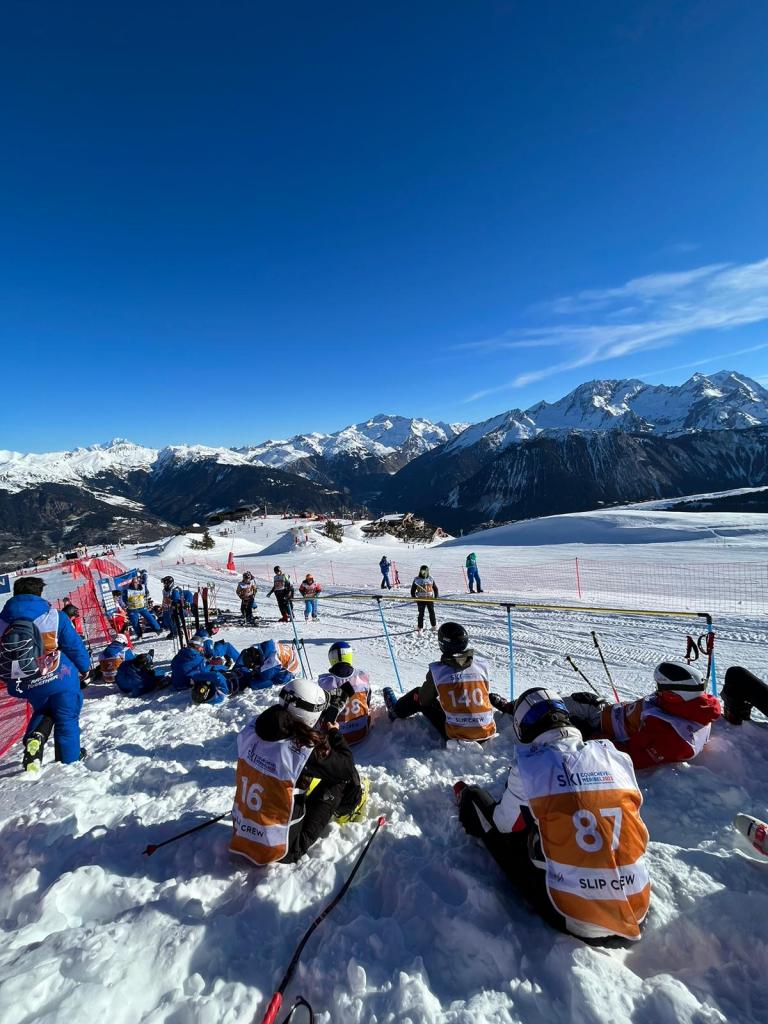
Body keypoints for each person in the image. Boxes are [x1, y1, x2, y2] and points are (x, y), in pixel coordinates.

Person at [456, 687, 650, 942]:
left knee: (486, 816)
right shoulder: (614, 755)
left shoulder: (530, 767)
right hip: (637, 905)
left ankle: (465, 797)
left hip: (576, 916)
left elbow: (504, 824)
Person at [230, 678, 364, 865]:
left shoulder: (252, 730)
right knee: (342, 779)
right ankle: (346, 809)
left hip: (242, 832)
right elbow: (346, 767)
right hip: (282, 848)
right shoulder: (302, 751)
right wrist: (334, 733)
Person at [0, 576, 91, 767]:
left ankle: (35, 738)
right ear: (39, 593)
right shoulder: (55, 616)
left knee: (43, 710)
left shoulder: (2, 621)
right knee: (66, 717)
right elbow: (74, 646)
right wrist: (85, 668)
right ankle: (69, 761)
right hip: (59, 676)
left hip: (24, 681)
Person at [562, 661, 720, 769]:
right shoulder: (694, 704)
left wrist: (592, 736)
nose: (657, 691)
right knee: (571, 700)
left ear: (673, 695)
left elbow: (629, 756)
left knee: (553, 710)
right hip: (605, 712)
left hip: (600, 726)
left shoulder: (674, 738)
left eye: (660, 688)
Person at [383, 622, 496, 744]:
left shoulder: (439, 671)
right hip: (486, 732)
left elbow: (424, 700)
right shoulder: (481, 665)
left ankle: (396, 711)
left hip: (456, 736)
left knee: (419, 694)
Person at [318, 641, 372, 745]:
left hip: (335, 737)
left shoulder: (324, 682)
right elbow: (368, 701)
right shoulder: (362, 676)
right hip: (361, 731)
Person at [232, 640, 300, 690]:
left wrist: (255, 674)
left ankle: (281, 679)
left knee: (254, 684)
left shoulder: (273, 662)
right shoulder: (265, 647)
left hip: (289, 672)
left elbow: (265, 677)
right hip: (286, 659)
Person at [411, 565, 438, 631]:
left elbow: (435, 588)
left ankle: (434, 626)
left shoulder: (430, 578)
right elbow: (412, 590)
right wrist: (414, 598)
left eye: (426, 571)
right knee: (421, 613)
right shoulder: (417, 579)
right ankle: (420, 627)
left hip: (429, 598)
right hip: (421, 599)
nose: (424, 573)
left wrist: (436, 597)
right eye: (423, 571)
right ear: (420, 571)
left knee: (431, 612)